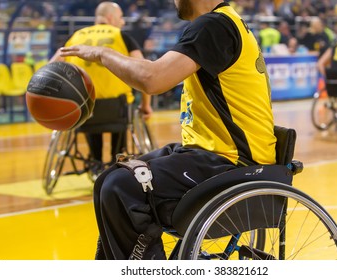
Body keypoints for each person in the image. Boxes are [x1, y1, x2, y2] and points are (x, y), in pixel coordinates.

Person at [60, 0, 276, 260]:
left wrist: (102, 54)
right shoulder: (225, 23)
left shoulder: (213, 25)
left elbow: (152, 79)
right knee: (108, 180)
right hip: (217, 154)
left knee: (120, 186)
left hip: (233, 162)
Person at [51, 1, 152, 176]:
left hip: (85, 110)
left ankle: (96, 163)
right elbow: (144, 71)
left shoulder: (76, 37)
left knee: (90, 114)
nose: (122, 22)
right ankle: (117, 163)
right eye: (120, 18)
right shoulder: (122, 36)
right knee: (120, 117)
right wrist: (146, 106)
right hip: (117, 109)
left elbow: (51, 67)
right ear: (110, 18)